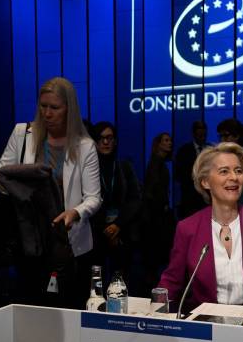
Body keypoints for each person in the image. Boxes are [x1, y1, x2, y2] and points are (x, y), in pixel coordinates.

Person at [0, 77, 101, 308]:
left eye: (54, 108)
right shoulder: (23, 134)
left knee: (68, 307)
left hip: (67, 243)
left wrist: (75, 212)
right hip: (29, 241)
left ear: (69, 109)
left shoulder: (85, 145)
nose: (47, 113)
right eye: (43, 106)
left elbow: (93, 198)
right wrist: (17, 187)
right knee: (31, 308)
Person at [158, 142, 243, 309]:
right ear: (205, 182)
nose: (234, 177)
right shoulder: (187, 228)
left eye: (238, 171)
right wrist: (155, 313)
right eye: (224, 171)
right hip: (206, 323)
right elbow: (172, 280)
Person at [90, 121, 141, 285]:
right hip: (96, 233)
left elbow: (135, 199)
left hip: (122, 230)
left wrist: (117, 225)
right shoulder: (89, 168)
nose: (105, 142)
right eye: (101, 138)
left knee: (121, 280)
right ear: (95, 141)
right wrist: (106, 230)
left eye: (110, 138)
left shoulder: (124, 167)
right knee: (96, 280)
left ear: (115, 141)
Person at [142, 132, 176, 287]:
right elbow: (151, 191)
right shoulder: (156, 163)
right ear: (159, 143)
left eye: (170, 141)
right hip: (156, 216)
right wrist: (161, 206)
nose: (170, 143)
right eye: (166, 140)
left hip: (158, 214)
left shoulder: (159, 162)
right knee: (155, 254)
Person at [175, 121, 211, 219]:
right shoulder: (184, 151)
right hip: (190, 199)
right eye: (199, 131)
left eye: (204, 131)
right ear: (194, 133)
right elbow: (178, 175)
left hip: (208, 199)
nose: (202, 134)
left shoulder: (211, 150)